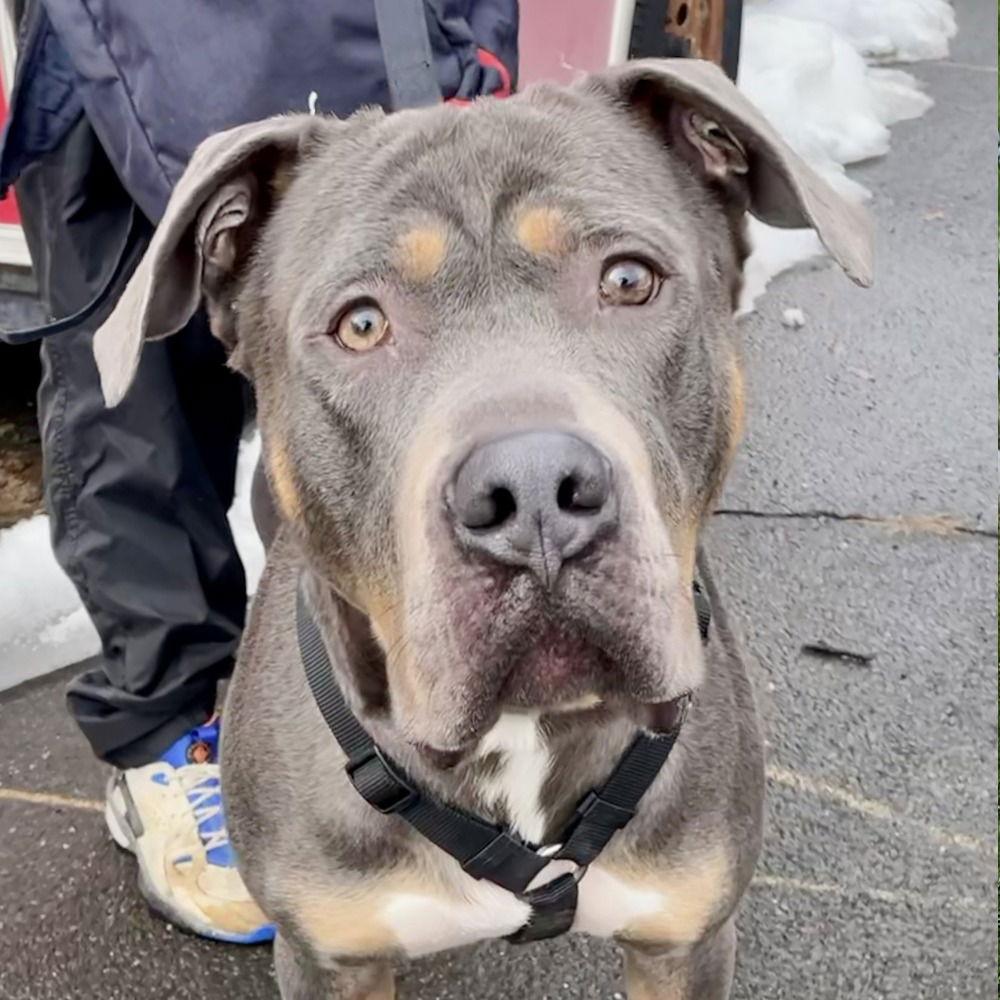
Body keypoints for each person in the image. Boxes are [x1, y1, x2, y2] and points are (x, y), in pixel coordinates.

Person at [0, 0, 517, 942]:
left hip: (361, 37)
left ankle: (370, 721)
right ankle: (167, 740)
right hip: (114, 46)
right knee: (133, 406)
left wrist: (470, 38)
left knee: (383, 381)